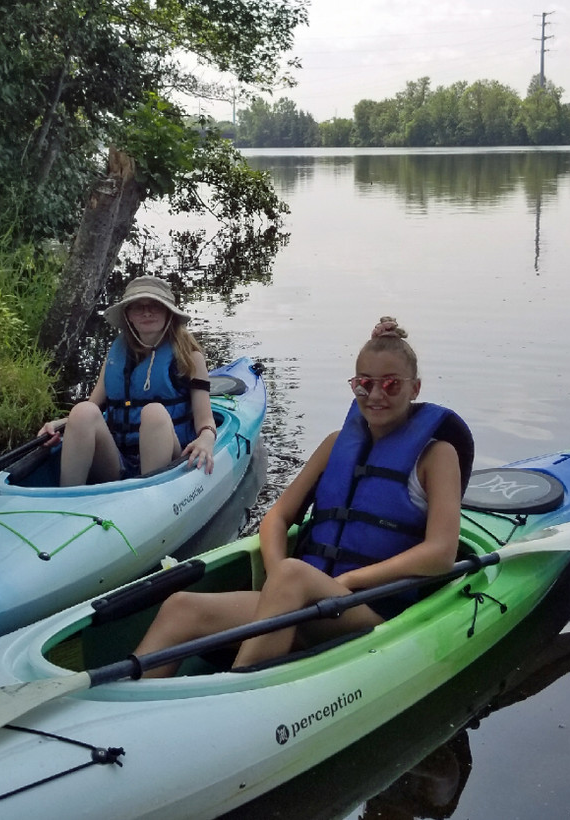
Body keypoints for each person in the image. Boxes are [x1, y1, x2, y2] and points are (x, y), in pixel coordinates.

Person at [132, 317, 474, 675]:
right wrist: (279, 576)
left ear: (415, 388)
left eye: (390, 385)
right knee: (181, 607)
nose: (375, 395)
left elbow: (441, 553)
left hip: (371, 612)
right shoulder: (334, 445)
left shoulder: (437, 457)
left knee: (295, 576)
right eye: (364, 384)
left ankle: (237, 691)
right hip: (302, 602)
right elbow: (277, 517)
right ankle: (127, 710)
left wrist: (348, 581)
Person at [39, 276, 217, 486]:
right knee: (83, 410)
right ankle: (67, 498)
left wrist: (206, 438)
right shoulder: (116, 357)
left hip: (168, 459)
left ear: (169, 312)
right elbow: (93, 410)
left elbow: (205, 421)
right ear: (128, 316)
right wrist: (57, 424)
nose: (147, 312)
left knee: (154, 412)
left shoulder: (190, 357)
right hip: (117, 460)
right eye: (138, 307)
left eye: (155, 306)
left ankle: (150, 497)